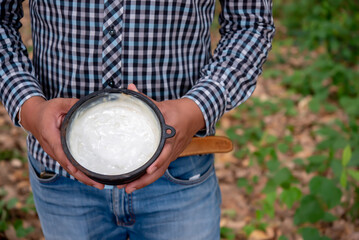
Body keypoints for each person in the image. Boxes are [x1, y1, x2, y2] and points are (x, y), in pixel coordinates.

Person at [0, 0, 275, 239]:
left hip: (179, 171)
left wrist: (197, 108)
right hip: (61, 177)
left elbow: (250, 23)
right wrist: (30, 108)